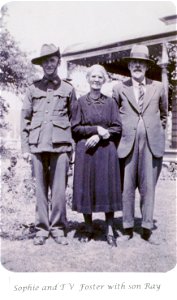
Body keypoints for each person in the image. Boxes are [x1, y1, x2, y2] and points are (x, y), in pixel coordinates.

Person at [21, 44, 77, 246]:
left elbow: (74, 119)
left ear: (58, 62)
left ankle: (59, 228)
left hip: (61, 145)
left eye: (52, 60)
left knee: (59, 190)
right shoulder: (32, 89)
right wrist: (25, 149)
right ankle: (42, 229)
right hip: (37, 146)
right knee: (40, 190)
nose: (48, 64)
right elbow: (25, 119)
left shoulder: (68, 89)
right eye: (45, 61)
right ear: (41, 64)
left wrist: (73, 149)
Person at [112, 44, 168, 244]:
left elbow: (163, 115)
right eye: (134, 62)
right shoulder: (119, 89)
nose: (137, 66)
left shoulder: (159, 87)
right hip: (127, 145)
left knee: (148, 187)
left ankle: (146, 229)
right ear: (129, 66)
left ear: (146, 66)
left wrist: (155, 132)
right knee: (127, 187)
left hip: (151, 145)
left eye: (141, 63)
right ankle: (127, 227)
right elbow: (114, 117)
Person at [71, 64, 122, 247]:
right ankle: (88, 227)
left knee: (107, 188)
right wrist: (95, 129)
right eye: (93, 76)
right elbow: (75, 128)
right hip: (86, 151)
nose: (96, 80)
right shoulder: (80, 102)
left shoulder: (110, 103)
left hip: (106, 150)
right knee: (87, 186)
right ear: (88, 79)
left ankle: (109, 229)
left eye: (100, 77)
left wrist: (100, 135)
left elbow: (117, 127)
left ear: (104, 80)